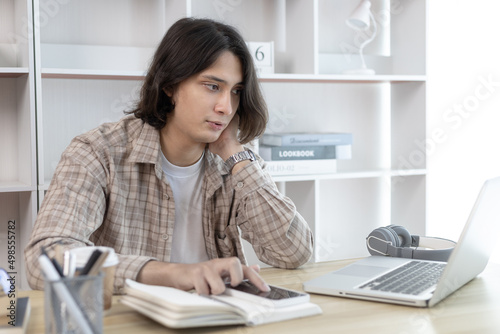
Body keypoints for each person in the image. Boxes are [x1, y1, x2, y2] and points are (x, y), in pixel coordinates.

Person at [24, 17, 313, 295]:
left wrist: (233, 153)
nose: (227, 107)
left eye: (236, 91)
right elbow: (44, 260)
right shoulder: (99, 152)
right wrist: (169, 274)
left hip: (219, 315)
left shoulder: (237, 163)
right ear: (170, 86)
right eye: (213, 86)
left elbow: (293, 254)